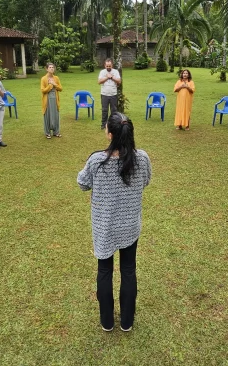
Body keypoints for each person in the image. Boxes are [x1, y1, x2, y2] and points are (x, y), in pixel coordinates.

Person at [77, 112, 151, 332]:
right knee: (128, 270)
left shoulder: (98, 160)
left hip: (105, 226)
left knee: (105, 270)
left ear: (109, 134)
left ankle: (107, 321)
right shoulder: (142, 158)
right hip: (130, 224)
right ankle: (126, 322)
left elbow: (82, 183)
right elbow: (146, 181)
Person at [40, 62, 62, 138]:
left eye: (53, 67)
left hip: (55, 99)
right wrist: (50, 85)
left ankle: (56, 132)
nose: (52, 69)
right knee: (48, 114)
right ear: (46, 69)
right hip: (47, 99)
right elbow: (43, 90)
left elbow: (60, 88)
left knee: (56, 114)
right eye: (50, 67)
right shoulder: (43, 79)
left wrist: (54, 84)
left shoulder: (56, 78)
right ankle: (47, 132)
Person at [98, 58, 121, 130]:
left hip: (113, 94)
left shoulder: (116, 72)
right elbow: (99, 82)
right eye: (107, 66)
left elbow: (119, 81)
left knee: (114, 110)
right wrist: (107, 77)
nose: (108, 67)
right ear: (105, 66)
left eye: (109, 66)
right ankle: (104, 125)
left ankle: (114, 124)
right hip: (104, 94)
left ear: (112, 65)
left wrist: (112, 77)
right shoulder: (102, 72)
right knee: (104, 110)